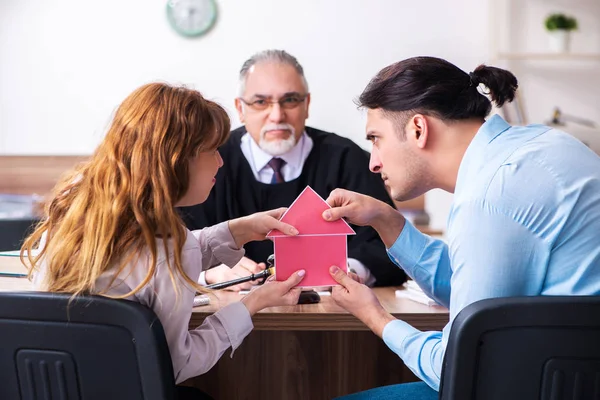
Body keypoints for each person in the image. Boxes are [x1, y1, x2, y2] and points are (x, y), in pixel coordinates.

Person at [319, 56, 600, 399]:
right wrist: (387, 220)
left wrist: (375, 317)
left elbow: (456, 369)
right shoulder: (538, 145)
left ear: (418, 129)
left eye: (376, 139)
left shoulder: (491, 194)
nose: (374, 163)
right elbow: (477, 289)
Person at [21, 83, 307, 395]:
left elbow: (146, 260)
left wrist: (237, 230)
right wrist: (254, 302)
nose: (221, 162)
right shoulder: (172, 248)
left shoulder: (73, 205)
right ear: (176, 159)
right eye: (212, 151)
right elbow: (176, 365)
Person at [178, 50, 406, 290]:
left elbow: (389, 244)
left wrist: (346, 271)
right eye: (260, 102)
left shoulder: (347, 159)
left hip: (332, 316)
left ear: (306, 105)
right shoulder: (207, 160)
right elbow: (168, 249)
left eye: (290, 100)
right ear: (240, 109)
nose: (277, 116)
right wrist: (209, 270)